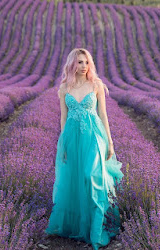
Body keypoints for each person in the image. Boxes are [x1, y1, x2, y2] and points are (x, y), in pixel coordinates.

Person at [45, 48, 124, 250]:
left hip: (94, 137)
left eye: (86, 62)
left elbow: (103, 115)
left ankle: (98, 230)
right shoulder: (64, 88)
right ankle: (81, 226)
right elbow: (63, 118)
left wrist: (111, 142)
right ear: (72, 64)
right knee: (75, 179)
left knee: (92, 177)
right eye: (79, 62)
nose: (83, 66)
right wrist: (63, 144)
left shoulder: (96, 85)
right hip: (72, 138)